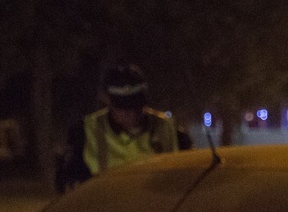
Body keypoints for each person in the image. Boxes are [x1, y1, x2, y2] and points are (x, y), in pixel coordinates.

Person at [55, 64, 191, 193]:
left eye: (136, 105)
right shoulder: (85, 132)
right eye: (122, 107)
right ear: (107, 100)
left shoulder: (169, 129)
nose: (131, 113)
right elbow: (68, 184)